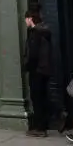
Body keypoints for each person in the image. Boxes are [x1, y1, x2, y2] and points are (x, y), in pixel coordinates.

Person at [24, 9, 53, 137]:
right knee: (43, 97)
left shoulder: (35, 33)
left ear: (30, 18)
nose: (25, 21)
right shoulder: (45, 31)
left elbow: (33, 54)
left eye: (26, 19)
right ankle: (44, 124)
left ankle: (40, 128)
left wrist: (27, 66)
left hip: (36, 70)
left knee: (36, 98)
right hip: (45, 69)